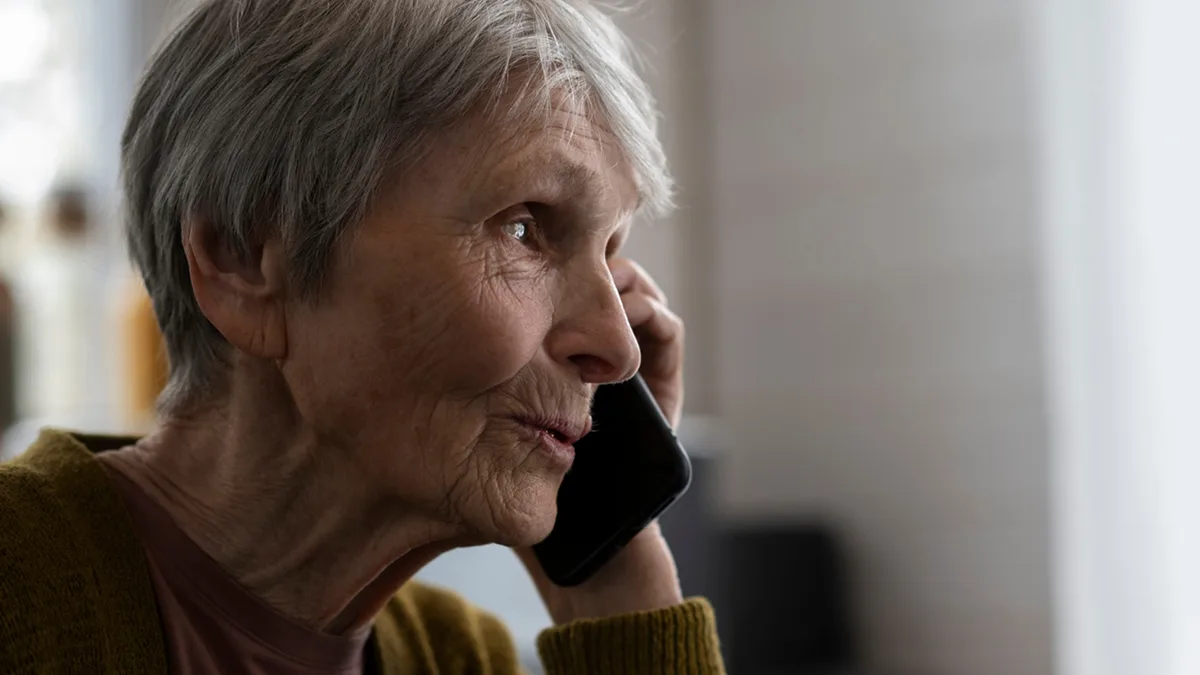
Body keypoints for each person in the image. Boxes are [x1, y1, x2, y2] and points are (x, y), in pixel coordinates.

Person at [0, 0, 724, 673]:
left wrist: (615, 565)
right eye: (524, 227)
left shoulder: (459, 655)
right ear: (240, 258)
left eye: (610, 252)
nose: (619, 347)